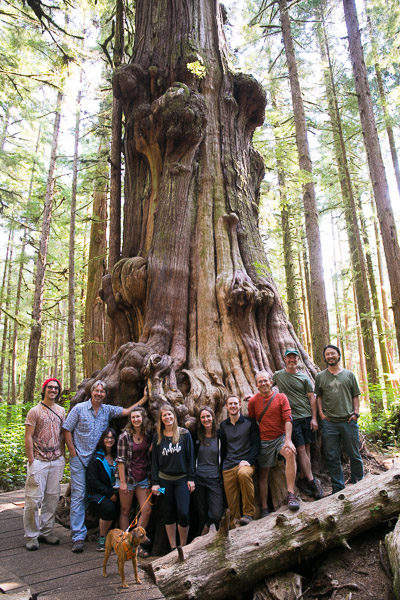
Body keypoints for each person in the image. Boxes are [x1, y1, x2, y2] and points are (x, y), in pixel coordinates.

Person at [63, 379, 142, 553]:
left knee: (97, 494)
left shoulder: (107, 410)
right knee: (79, 495)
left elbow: (128, 411)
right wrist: (72, 452)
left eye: (102, 392)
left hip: (99, 462)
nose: (99, 394)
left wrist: (146, 397)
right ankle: (78, 536)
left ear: (105, 394)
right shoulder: (79, 409)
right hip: (81, 459)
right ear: (91, 392)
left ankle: (101, 532)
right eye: (96, 391)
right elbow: (67, 429)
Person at [273, 348, 323, 500]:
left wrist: (314, 418)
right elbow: (267, 387)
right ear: (285, 359)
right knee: (300, 449)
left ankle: (302, 478)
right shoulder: (278, 375)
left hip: (306, 417)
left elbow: (311, 397)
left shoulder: (304, 377)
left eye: (294, 358)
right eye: (289, 358)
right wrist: (253, 395)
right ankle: (312, 481)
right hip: (291, 419)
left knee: (306, 449)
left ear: (298, 360)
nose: (292, 360)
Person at [248, 372, 300, 514]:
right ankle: (264, 507)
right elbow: (253, 423)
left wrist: (288, 440)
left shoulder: (281, 397)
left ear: (271, 382)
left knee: (290, 453)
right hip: (264, 440)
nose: (263, 383)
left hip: (280, 437)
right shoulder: (253, 402)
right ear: (256, 385)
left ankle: (291, 494)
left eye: (265, 380)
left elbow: (288, 419)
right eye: (260, 382)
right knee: (264, 473)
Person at [23, 377, 66, 551]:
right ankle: (32, 535)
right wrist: (32, 460)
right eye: (50, 387)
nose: (53, 390)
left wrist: (62, 455)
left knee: (52, 498)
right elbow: (28, 436)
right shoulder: (35, 411)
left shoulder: (62, 411)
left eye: (56, 388)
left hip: (56, 461)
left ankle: (47, 531)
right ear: (44, 389)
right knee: (33, 500)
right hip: (39, 461)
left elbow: (63, 434)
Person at [315, 344, 363, 494]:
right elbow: (319, 396)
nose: (330, 356)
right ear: (325, 358)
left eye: (333, 354)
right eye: (327, 354)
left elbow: (355, 395)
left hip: (348, 421)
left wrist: (355, 413)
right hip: (330, 423)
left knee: (354, 453)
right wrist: (321, 414)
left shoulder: (348, 375)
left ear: (338, 355)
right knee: (331, 456)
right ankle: (338, 487)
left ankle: (359, 483)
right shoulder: (320, 376)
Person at [151, 405, 195, 550]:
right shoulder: (158, 437)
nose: (167, 417)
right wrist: (155, 483)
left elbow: (190, 457)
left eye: (169, 414)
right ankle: (172, 547)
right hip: (164, 482)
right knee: (167, 512)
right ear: (161, 419)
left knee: (183, 512)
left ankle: (183, 546)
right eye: (164, 415)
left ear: (174, 416)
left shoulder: (184, 434)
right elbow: (154, 462)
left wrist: (191, 478)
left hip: (182, 480)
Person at [115, 405, 152, 557]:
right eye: (133, 417)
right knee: (125, 511)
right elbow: (121, 460)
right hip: (128, 478)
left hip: (143, 477)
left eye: (138, 417)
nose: (136, 419)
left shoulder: (147, 434)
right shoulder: (124, 436)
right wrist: (122, 482)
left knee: (147, 510)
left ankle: (136, 542)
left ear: (143, 418)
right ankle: (125, 543)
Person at [219, 395, 260, 528]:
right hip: (229, 465)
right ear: (226, 406)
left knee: (243, 474)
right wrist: (222, 468)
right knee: (231, 500)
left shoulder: (250, 423)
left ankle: (248, 514)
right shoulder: (223, 426)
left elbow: (256, 444)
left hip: (246, 463)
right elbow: (224, 448)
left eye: (235, 403)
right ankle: (234, 523)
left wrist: (249, 460)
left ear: (240, 405)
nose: (233, 406)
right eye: (230, 404)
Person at [193, 406, 224, 535]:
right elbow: (191, 457)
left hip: (215, 479)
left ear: (213, 417)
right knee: (201, 513)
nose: (206, 419)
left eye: (208, 416)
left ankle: (205, 531)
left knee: (216, 514)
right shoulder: (196, 437)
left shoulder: (220, 436)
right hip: (199, 479)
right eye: (203, 417)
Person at [86, 428, 118, 551]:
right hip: (99, 493)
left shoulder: (117, 455)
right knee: (109, 508)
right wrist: (109, 494)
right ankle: (102, 537)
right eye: (107, 437)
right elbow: (93, 481)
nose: (109, 440)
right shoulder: (97, 458)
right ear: (102, 439)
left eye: (112, 438)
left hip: (116, 490)